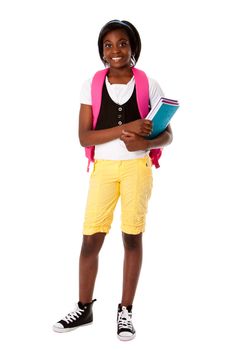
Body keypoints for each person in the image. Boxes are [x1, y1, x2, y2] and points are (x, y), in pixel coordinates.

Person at [53, 19, 173, 341]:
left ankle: (125, 311)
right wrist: (126, 128)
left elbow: (168, 135)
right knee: (91, 238)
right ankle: (83, 307)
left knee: (132, 237)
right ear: (101, 51)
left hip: (137, 169)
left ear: (133, 47)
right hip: (103, 169)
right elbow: (84, 137)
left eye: (122, 43)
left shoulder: (150, 84)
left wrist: (145, 142)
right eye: (108, 45)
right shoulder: (91, 84)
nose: (115, 50)